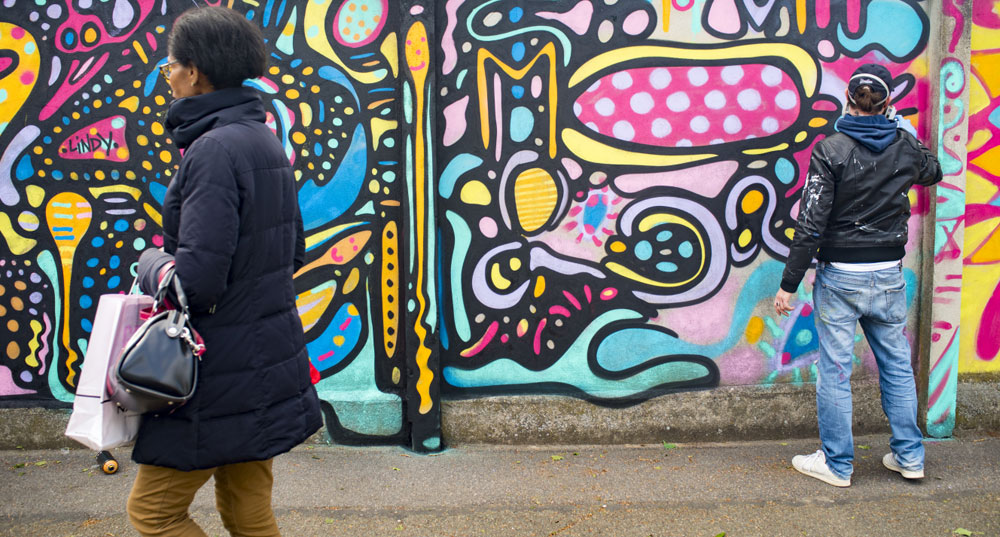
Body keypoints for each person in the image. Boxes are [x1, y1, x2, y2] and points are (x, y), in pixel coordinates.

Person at [127, 6, 322, 535]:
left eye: (170, 65)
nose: (166, 75)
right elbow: (293, 250)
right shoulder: (262, 139)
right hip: (264, 357)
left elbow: (196, 283)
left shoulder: (212, 149)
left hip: (217, 372)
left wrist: (148, 264)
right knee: (247, 509)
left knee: (153, 513)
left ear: (195, 70)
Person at [774, 63, 942, 487]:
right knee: (898, 367)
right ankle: (910, 457)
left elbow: (811, 223)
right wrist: (903, 127)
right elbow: (933, 170)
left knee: (835, 370)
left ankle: (837, 465)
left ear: (847, 102)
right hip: (887, 274)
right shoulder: (903, 146)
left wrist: (789, 284)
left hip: (841, 277)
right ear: (888, 105)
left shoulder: (830, 149)